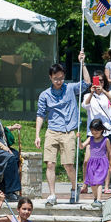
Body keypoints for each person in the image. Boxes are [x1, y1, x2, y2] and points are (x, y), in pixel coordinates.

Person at [36, 51, 91, 206]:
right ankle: (52, 194)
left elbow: (87, 83)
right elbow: (40, 115)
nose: (58, 81)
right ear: (50, 77)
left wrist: (83, 63)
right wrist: (37, 135)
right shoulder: (45, 95)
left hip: (68, 132)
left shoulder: (71, 89)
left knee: (68, 165)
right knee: (50, 163)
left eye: (61, 78)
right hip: (52, 131)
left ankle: (75, 188)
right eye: (55, 78)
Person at [80, 70, 111, 195]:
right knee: (86, 160)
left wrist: (104, 91)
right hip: (93, 132)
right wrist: (91, 93)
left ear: (104, 81)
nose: (99, 83)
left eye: (101, 80)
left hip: (106, 131)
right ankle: (85, 183)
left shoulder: (109, 93)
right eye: (96, 80)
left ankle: (106, 185)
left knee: (106, 159)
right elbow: (84, 105)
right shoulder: (88, 95)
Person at [79, 119, 111, 208]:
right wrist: (78, 139)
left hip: (102, 162)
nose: (94, 134)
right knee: (92, 183)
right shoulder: (90, 139)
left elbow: (109, 152)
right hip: (92, 163)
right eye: (92, 132)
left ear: (101, 130)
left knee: (99, 182)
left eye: (96, 132)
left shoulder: (106, 140)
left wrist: (110, 164)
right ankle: (95, 197)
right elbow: (81, 146)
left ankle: (99, 200)